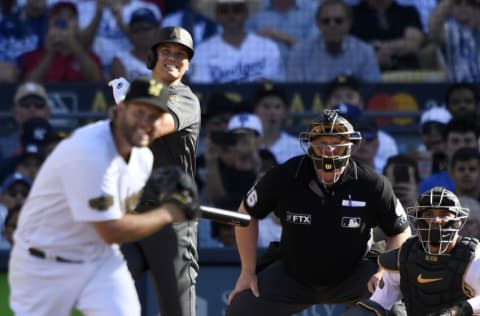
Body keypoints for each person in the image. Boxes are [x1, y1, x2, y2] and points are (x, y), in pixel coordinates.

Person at [8, 76, 200, 316]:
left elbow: (120, 212)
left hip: (98, 259)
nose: (145, 123)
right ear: (120, 110)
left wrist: (156, 194)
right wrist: (170, 211)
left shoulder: (143, 156)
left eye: (153, 116)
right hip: (44, 262)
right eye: (139, 112)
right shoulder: (90, 151)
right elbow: (111, 230)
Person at [226, 109, 411, 316]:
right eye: (321, 142)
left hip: (355, 273)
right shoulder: (285, 176)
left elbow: (401, 231)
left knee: (395, 308)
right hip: (292, 274)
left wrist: (384, 271)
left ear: (350, 146)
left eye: (336, 143)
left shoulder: (372, 184)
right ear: (309, 144)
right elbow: (246, 213)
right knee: (241, 306)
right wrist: (247, 271)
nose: (329, 149)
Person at [114, 26, 201, 316]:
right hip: (134, 212)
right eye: (166, 51)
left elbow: (157, 126)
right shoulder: (137, 96)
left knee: (178, 311)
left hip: (172, 220)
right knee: (107, 288)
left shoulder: (184, 97)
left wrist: (129, 112)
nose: (173, 58)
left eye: (181, 55)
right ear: (152, 56)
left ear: (188, 65)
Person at [344, 186, 480, 316]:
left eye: (444, 214)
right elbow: (380, 302)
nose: (436, 220)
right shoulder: (405, 255)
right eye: (429, 214)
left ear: (459, 222)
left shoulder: (472, 258)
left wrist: (458, 310)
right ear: (417, 220)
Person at [189, 0, 285, 83]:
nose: (231, 15)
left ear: (246, 12)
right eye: (224, 11)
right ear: (216, 15)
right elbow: (203, 89)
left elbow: (274, 85)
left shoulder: (268, 47)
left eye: (237, 10)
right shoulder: (203, 51)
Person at [286, 0, 381, 82]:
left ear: (349, 23)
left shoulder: (365, 53)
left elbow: (372, 92)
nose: (332, 25)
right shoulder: (299, 53)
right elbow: (294, 92)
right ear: (318, 24)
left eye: (338, 21)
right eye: (326, 21)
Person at [20, 1, 103, 82]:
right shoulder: (34, 56)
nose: (63, 21)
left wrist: (74, 46)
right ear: (49, 24)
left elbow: (97, 80)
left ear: (77, 25)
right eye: (58, 17)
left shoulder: (90, 57)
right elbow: (28, 85)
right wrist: (50, 54)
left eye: (69, 17)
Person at [0, 81, 50, 160]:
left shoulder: (61, 144)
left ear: (47, 111)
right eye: (25, 104)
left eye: (38, 104)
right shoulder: (2, 146)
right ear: (14, 111)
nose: (32, 109)